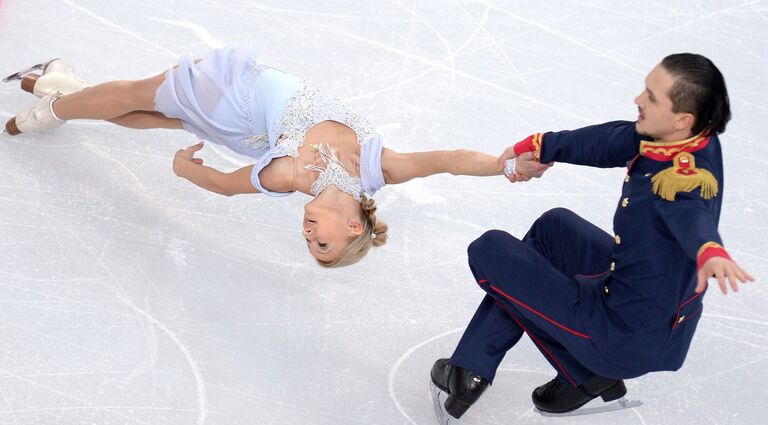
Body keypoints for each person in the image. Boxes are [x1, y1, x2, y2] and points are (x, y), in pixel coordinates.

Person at [430, 53, 754, 421]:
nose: (638, 99)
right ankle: (497, 369)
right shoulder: (687, 137)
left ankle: (494, 372)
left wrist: (709, 250)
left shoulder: (684, 179)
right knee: (555, 229)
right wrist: (543, 145)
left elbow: (691, 214)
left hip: (622, 335)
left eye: (651, 95)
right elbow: (613, 139)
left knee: (491, 251)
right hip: (646, 303)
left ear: (682, 118)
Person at [4, 47, 509, 268]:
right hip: (244, 93)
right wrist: (504, 164)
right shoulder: (379, 169)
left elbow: (226, 185)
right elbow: (453, 158)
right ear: (353, 228)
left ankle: (53, 99)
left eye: (310, 243)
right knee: (146, 99)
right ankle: (59, 92)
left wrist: (184, 170)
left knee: (148, 102)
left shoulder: (289, 177)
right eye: (323, 244)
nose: (309, 235)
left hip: (239, 115)